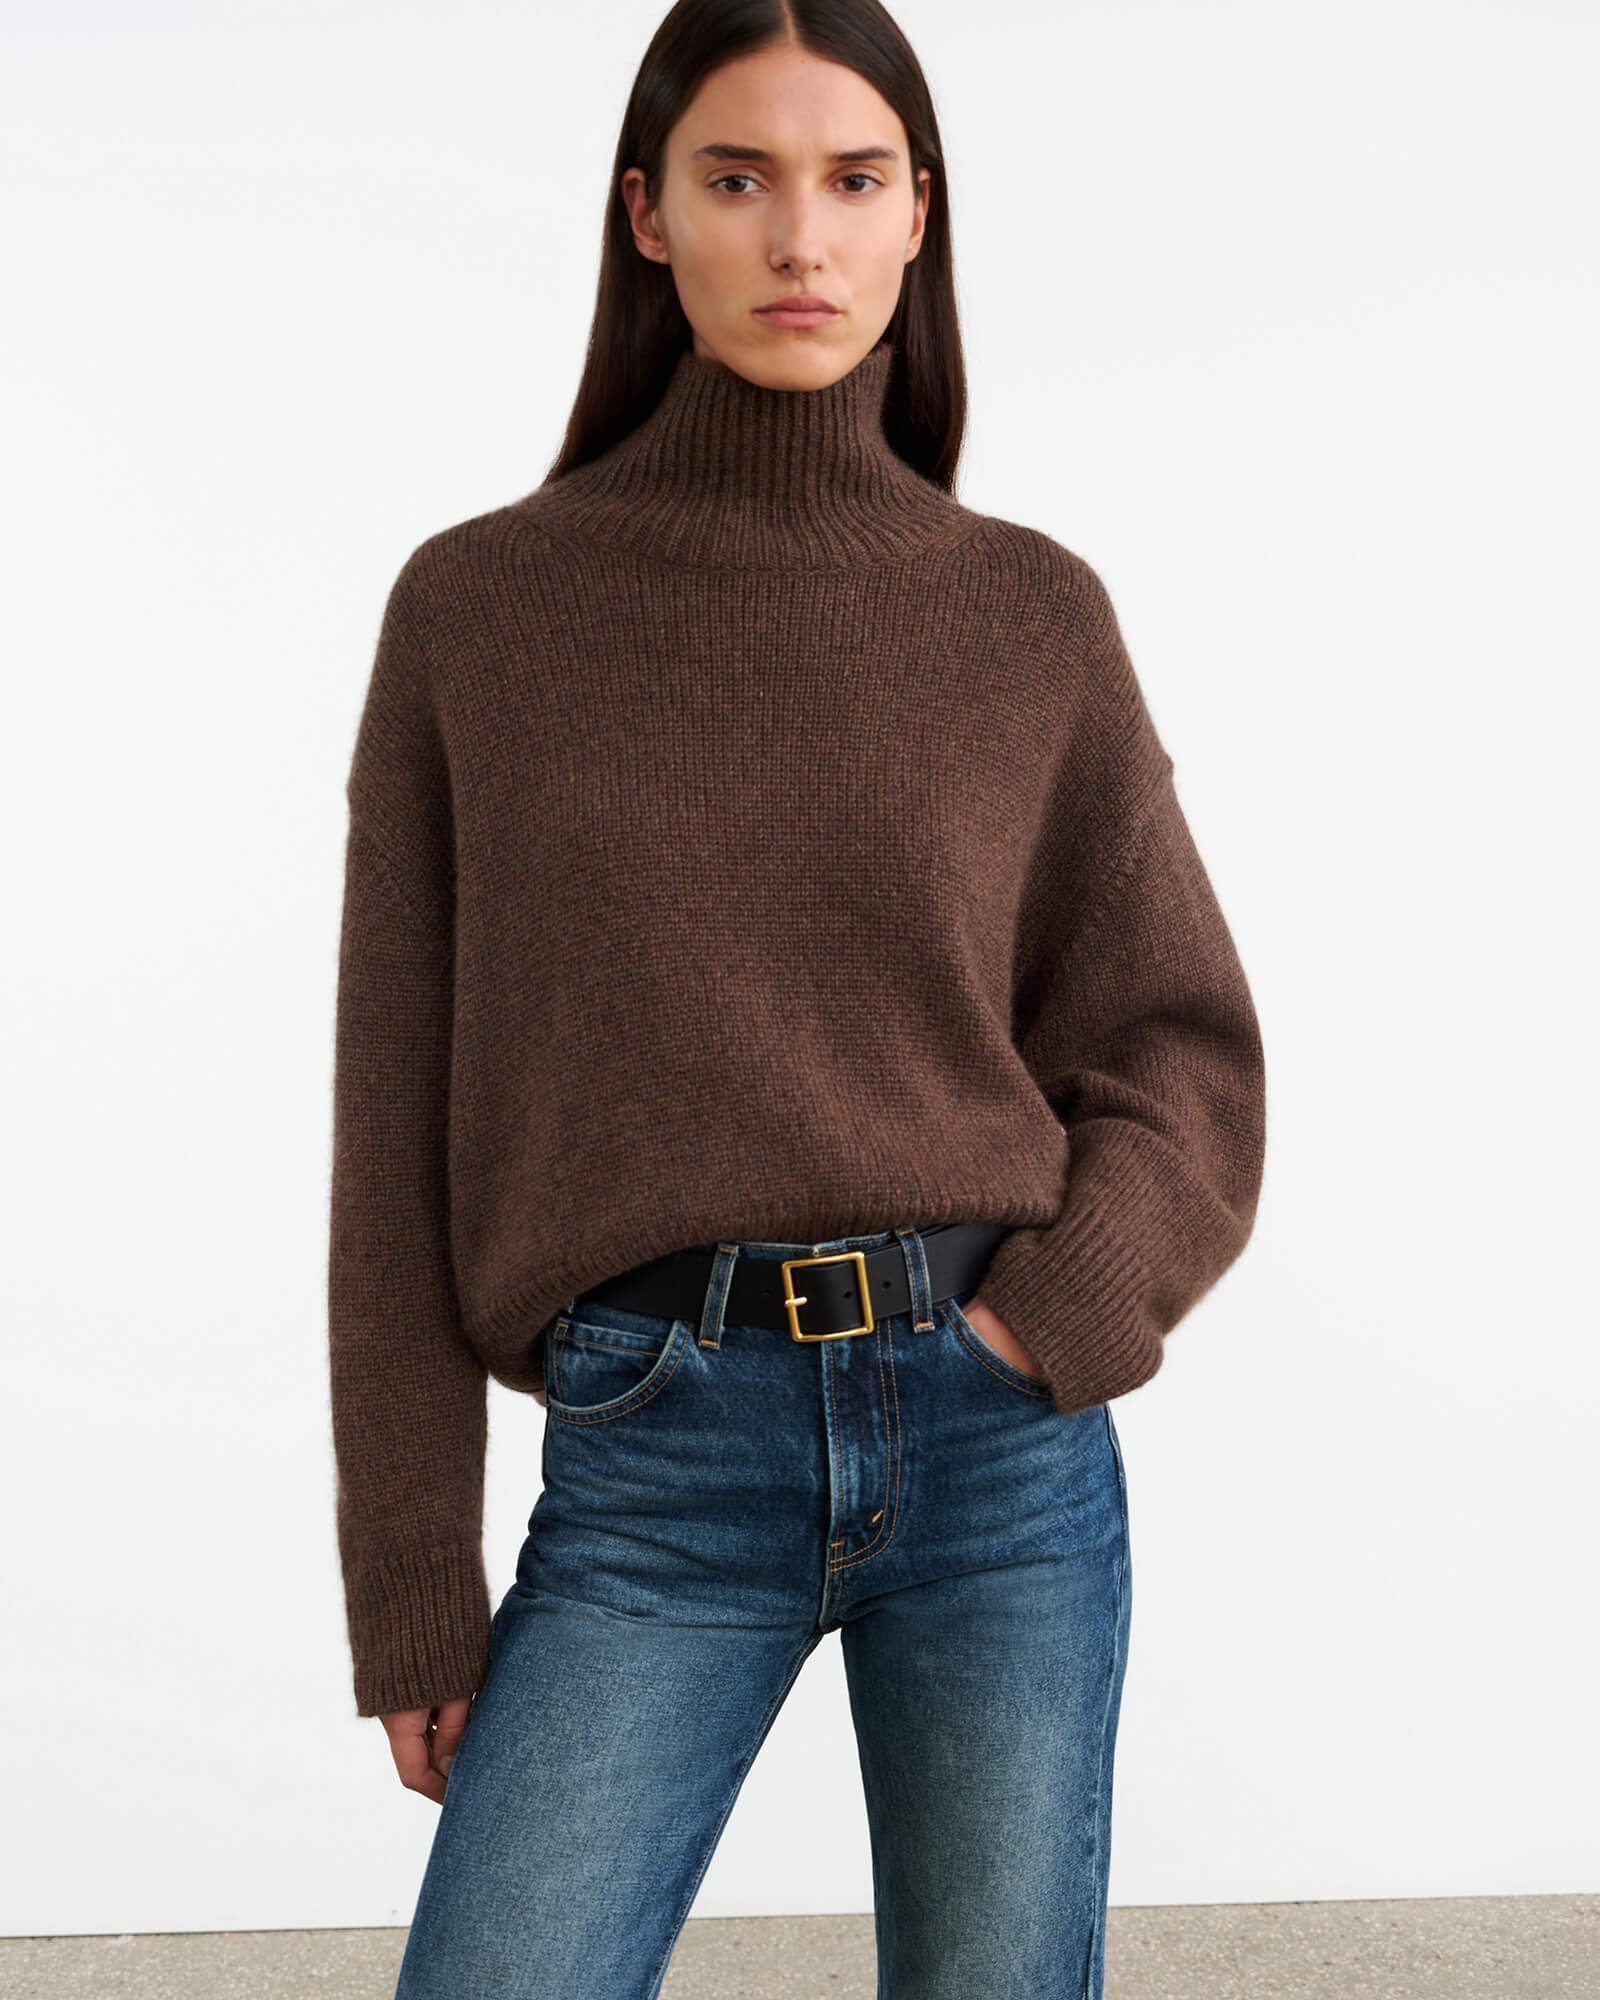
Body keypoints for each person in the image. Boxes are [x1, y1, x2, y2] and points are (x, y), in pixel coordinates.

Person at [326, 3, 1266, 1995]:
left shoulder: (1025, 614)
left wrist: (1049, 1321)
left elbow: (1175, 1050)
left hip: (997, 1441)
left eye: (852, 180)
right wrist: (411, 1578)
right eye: (737, 176)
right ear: (645, 214)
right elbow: (391, 1132)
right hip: (653, 1447)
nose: (799, 236)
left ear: (920, 214)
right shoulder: (478, 613)